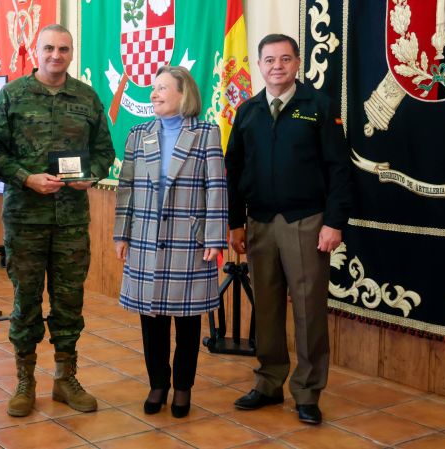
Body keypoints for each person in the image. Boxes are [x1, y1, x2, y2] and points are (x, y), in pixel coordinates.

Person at [0, 24, 115, 418]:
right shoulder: (13, 95)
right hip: (25, 218)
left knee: (69, 301)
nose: (56, 55)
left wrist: (91, 174)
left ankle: (64, 378)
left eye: (63, 49)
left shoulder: (87, 98)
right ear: (36, 51)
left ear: (71, 53)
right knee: (26, 300)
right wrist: (26, 177)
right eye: (49, 48)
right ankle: (25, 380)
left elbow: (104, 151)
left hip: (71, 220)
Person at [225, 34, 352, 425]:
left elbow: (339, 169)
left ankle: (308, 392)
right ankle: (268, 382)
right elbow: (234, 171)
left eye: (284, 59)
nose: (276, 66)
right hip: (260, 223)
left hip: (306, 222)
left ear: (298, 63)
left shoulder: (319, 106)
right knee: (266, 307)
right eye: (269, 60)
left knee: (309, 310)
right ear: (260, 65)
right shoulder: (247, 111)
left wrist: (334, 223)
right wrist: (235, 222)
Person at [113, 66, 227, 418]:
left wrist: (215, 237)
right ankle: (158, 384)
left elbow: (216, 187)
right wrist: (122, 233)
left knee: (188, 321)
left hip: (189, 242)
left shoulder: (206, 133)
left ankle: (183, 388)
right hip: (145, 238)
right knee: (152, 320)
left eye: (162, 88)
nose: (154, 94)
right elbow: (126, 187)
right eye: (153, 88)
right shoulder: (139, 133)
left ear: (183, 93)